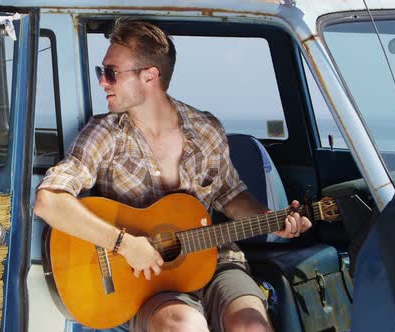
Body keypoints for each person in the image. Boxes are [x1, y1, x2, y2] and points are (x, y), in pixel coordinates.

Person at [34, 19, 312, 332]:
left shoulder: (206, 129)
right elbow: (48, 202)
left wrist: (272, 219)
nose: (103, 83)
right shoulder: (104, 134)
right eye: (102, 73)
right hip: (147, 281)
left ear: (150, 76)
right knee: (183, 326)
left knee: (251, 325)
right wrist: (124, 244)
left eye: (110, 73)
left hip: (214, 260)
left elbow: (230, 195)